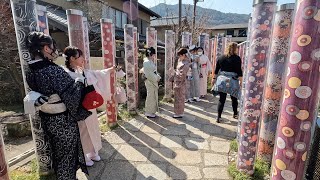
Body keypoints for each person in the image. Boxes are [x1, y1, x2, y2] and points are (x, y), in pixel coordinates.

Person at [24, 32, 91, 179]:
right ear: (46, 48)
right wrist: (79, 81)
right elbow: (72, 94)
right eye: (53, 46)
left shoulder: (31, 71)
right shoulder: (53, 70)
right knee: (67, 157)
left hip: (47, 119)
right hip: (63, 120)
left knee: (58, 154)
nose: (55, 50)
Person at [63, 46, 115, 166]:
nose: (83, 58)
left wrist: (109, 70)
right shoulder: (66, 73)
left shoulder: (81, 70)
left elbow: (96, 74)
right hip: (78, 107)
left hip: (89, 104)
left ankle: (92, 151)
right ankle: (83, 155)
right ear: (72, 58)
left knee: (93, 128)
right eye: (80, 56)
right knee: (82, 131)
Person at [212, 42, 242, 123]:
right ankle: (235, 114)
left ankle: (218, 117)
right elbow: (239, 71)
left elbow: (216, 69)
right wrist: (241, 81)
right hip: (233, 80)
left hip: (222, 80)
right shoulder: (237, 58)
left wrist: (214, 78)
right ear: (235, 48)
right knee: (234, 98)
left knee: (222, 99)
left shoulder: (221, 57)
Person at [169, 48, 191, 118]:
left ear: (184, 55)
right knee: (178, 98)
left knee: (179, 98)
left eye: (180, 55)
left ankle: (178, 113)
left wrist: (174, 72)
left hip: (181, 82)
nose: (179, 57)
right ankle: (179, 112)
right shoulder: (181, 60)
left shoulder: (186, 63)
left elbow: (182, 75)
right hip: (178, 82)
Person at [142, 47, 161, 118]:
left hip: (151, 80)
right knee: (150, 96)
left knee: (153, 96)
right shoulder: (146, 62)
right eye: (153, 54)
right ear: (150, 54)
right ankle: (148, 112)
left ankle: (151, 111)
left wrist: (157, 77)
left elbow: (153, 72)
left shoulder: (149, 61)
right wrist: (156, 78)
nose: (154, 56)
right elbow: (149, 74)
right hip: (149, 81)